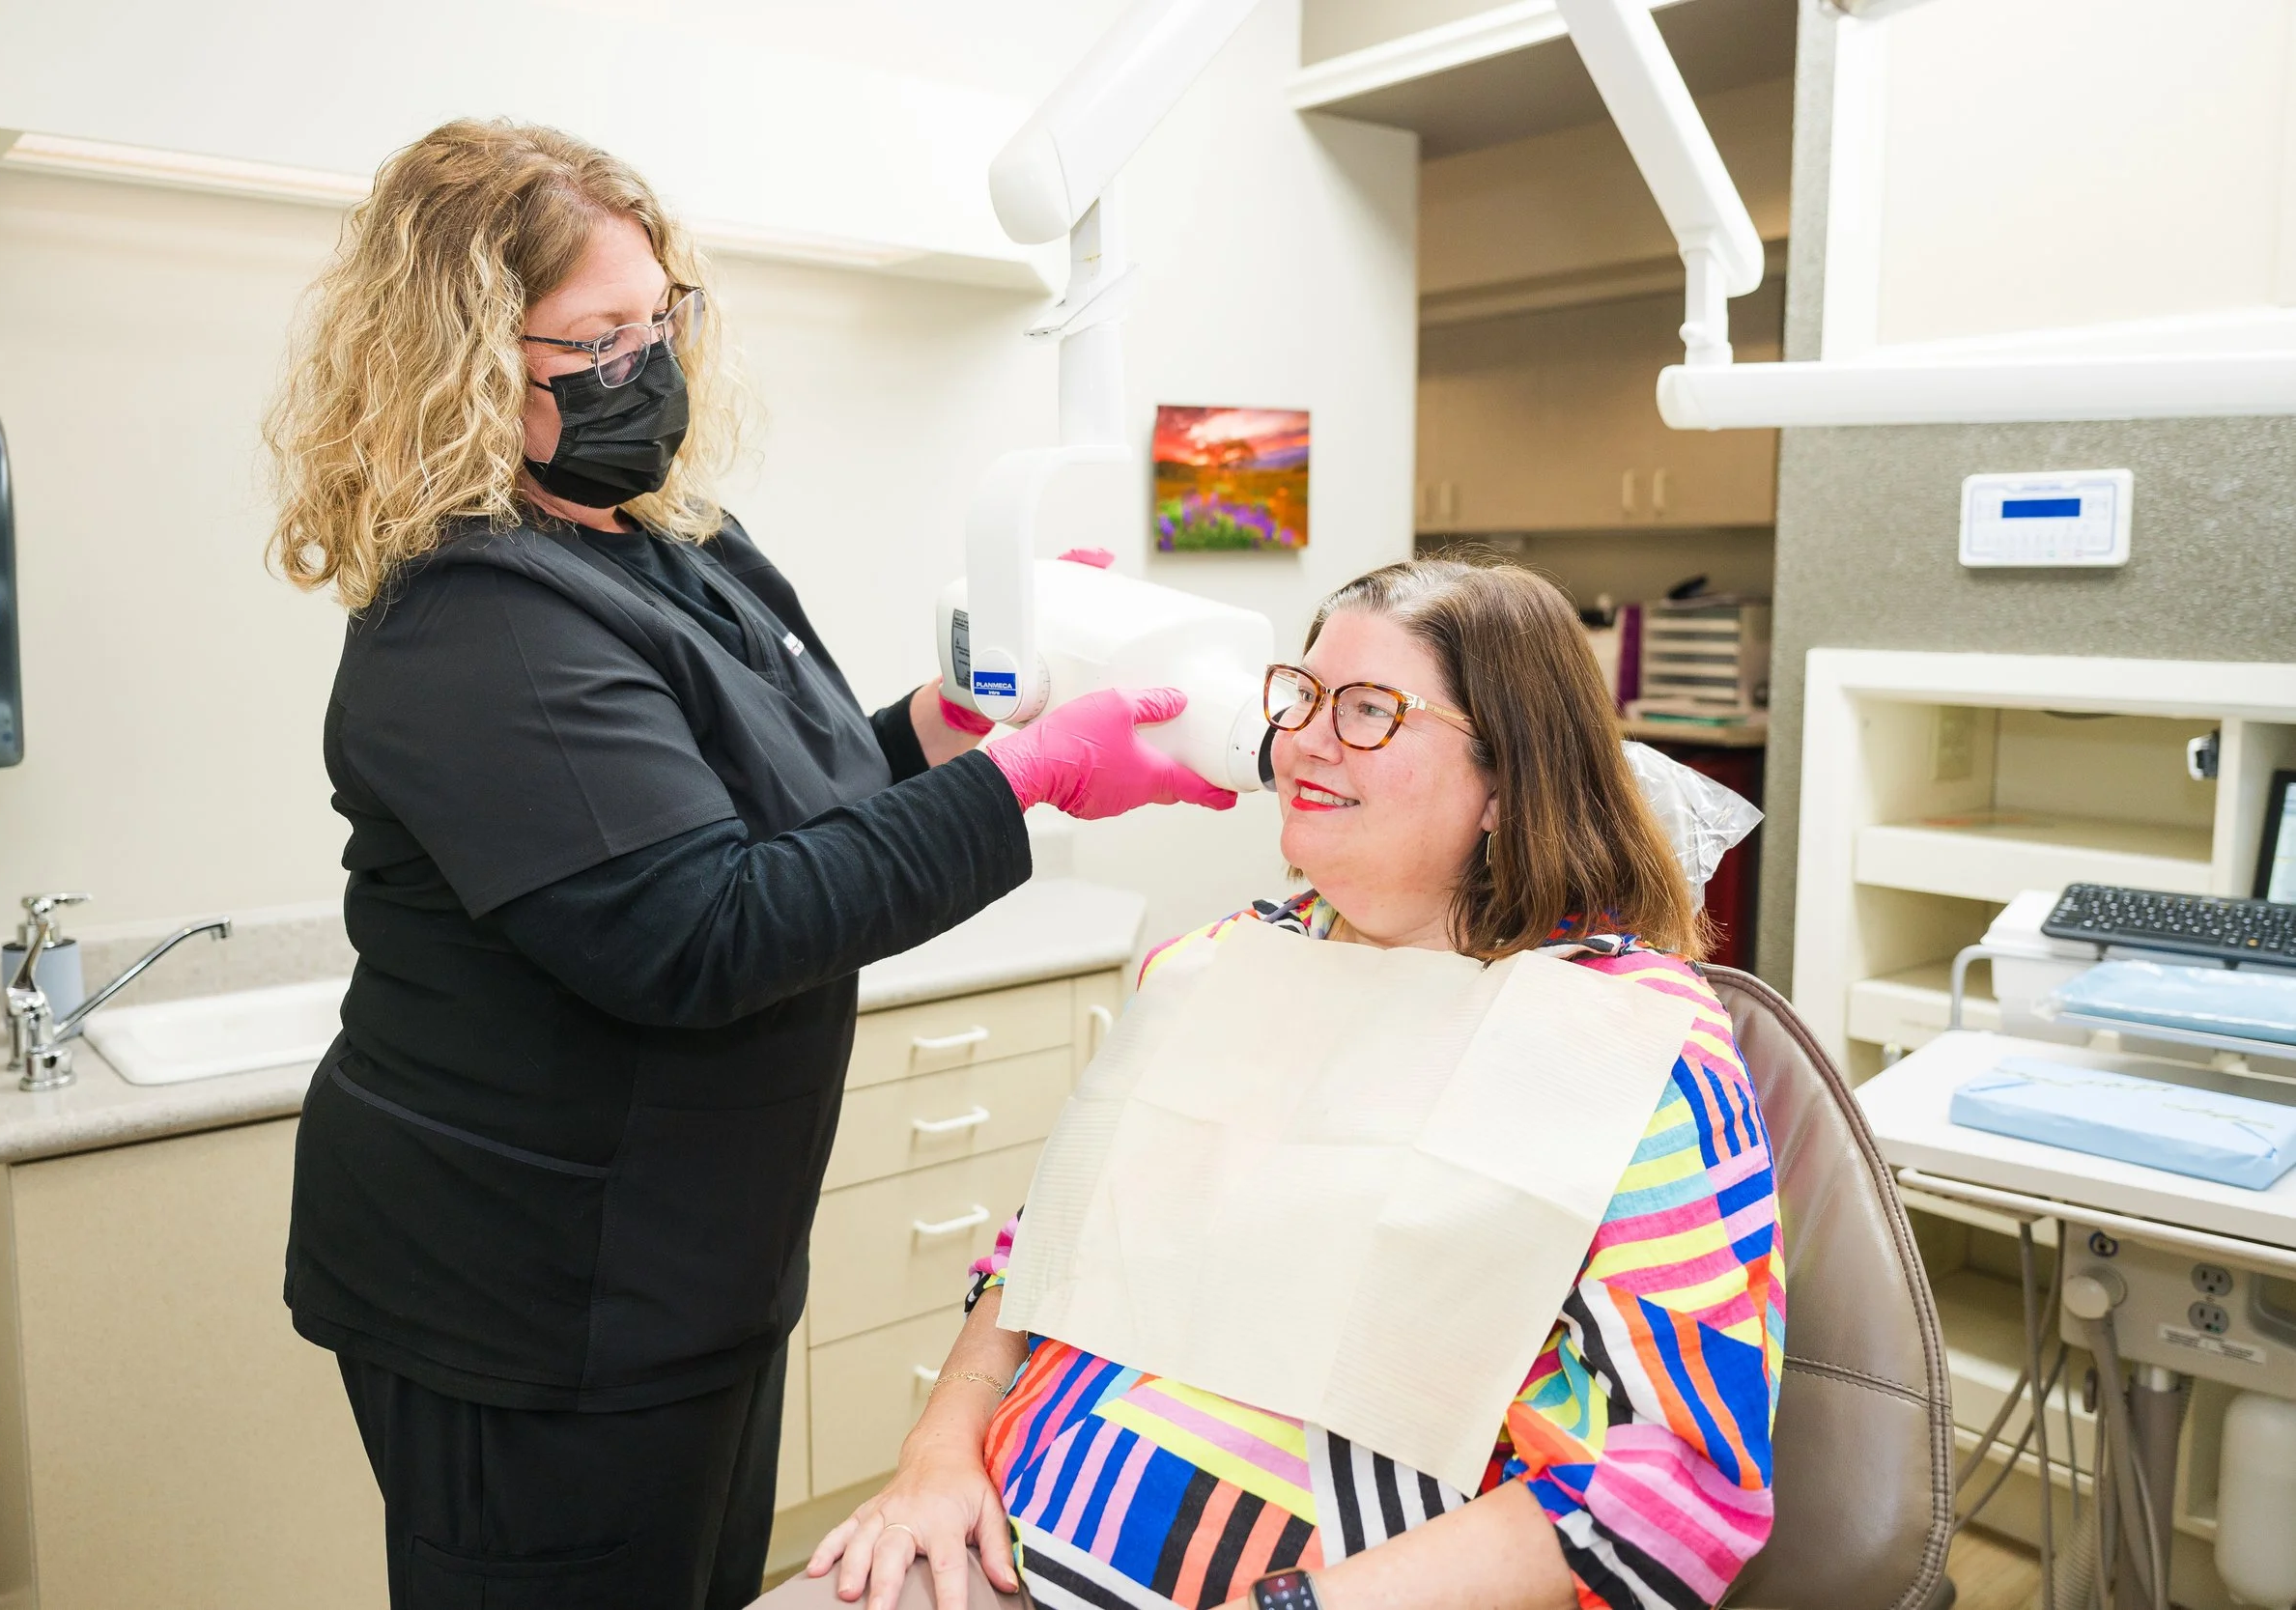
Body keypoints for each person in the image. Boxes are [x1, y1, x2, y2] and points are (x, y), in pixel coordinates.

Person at [263, 118, 1232, 1610]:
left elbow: (782, 790)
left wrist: (955, 717)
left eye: (661, 322)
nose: (646, 365)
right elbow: (704, 924)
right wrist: (1022, 782)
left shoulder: (666, 539)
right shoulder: (479, 621)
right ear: (461, 357)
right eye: (595, 338)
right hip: (533, 1303)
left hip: (681, 1265)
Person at [803, 560, 1782, 1610]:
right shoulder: (1221, 963)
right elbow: (1038, 1255)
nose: (1304, 739)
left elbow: (1674, 1486)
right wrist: (937, 1447)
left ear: (1506, 781)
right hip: (990, 1544)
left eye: (1369, 710)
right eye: (1302, 695)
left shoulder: (1631, 1042)